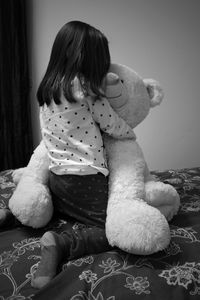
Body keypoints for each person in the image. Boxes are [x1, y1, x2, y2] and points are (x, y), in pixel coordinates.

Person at [31, 20, 136, 289]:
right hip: (85, 180)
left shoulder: (47, 91)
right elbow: (111, 124)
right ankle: (62, 243)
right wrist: (130, 133)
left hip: (57, 181)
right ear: (80, 56)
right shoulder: (87, 90)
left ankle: (15, 211)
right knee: (111, 230)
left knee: (70, 211)